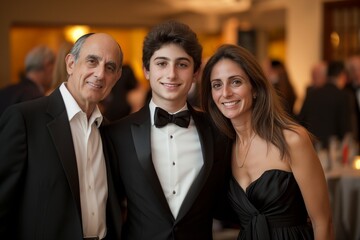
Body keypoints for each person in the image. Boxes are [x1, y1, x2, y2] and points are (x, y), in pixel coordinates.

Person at [104, 20, 232, 239]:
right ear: (146, 70)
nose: (171, 74)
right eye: (161, 63)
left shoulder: (219, 131)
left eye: (182, 64)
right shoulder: (116, 134)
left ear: (195, 73)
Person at [200, 44, 334, 240]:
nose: (226, 93)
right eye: (217, 85)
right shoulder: (224, 147)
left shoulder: (291, 139)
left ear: (255, 88)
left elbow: (323, 222)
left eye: (236, 82)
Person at [0, 33, 124, 240]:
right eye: (92, 61)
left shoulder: (109, 131)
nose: (100, 74)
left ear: (117, 77)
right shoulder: (24, 119)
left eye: (110, 67)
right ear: (71, 64)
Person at [298, 60, 354, 149]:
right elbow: (345, 127)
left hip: (312, 147)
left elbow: (300, 120)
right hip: (333, 149)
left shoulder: (312, 94)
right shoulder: (344, 96)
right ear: (342, 75)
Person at [0, 45, 55, 116]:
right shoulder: (36, 99)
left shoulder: (5, 91)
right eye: (55, 68)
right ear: (47, 65)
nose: (55, 73)